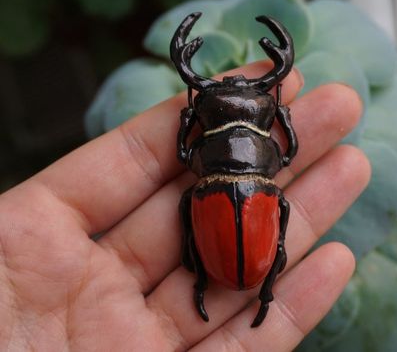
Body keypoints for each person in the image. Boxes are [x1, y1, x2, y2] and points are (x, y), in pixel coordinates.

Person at [0, 61, 370, 351]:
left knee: (191, 208)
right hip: (253, 212)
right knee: (276, 229)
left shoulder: (196, 180)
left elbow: (183, 152)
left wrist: (190, 119)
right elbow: (287, 155)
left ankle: (212, 283)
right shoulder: (271, 180)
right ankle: (256, 289)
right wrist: (283, 119)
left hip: (222, 218)